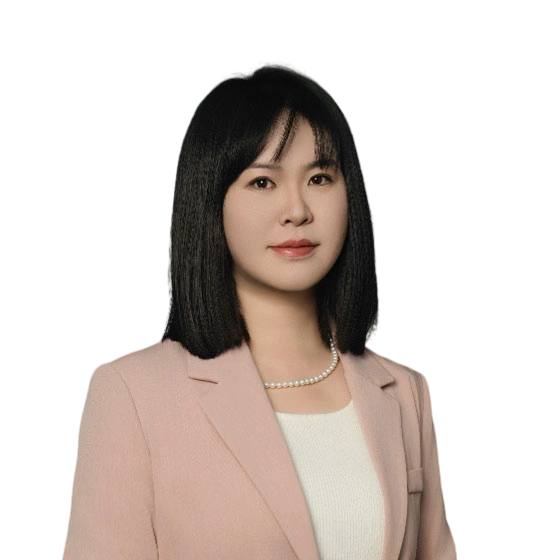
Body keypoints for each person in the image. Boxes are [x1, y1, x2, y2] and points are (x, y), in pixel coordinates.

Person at [62, 64, 457, 559]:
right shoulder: (131, 394)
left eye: (319, 177)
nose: (297, 210)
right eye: (263, 182)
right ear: (211, 201)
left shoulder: (406, 391)